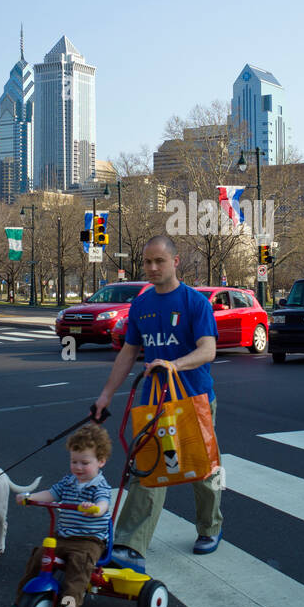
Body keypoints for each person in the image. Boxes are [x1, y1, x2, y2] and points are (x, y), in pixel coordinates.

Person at [94, 235, 220, 571]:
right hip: (154, 403)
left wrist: (173, 365)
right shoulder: (142, 304)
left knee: (201, 469)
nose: (151, 267)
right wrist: (106, 394)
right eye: (147, 262)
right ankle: (129, 546)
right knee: (148, 469)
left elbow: (208, 350)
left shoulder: (195, 302)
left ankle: (210, 528)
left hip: (195, 398)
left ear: (175, 262)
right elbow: (128, 352)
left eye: (159, 261)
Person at [8, 424, 113, 607]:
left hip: (89, 540)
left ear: (101, 461)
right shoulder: (68, 481)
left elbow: (103, 504)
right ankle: (22, 601)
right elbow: (51, 494)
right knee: (39, 558)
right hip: (63, 536)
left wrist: (94, 507)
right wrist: (29, 497)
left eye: (84, 462)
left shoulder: (100, 486)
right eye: (74, 461)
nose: (78, 467)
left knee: (77, 570)